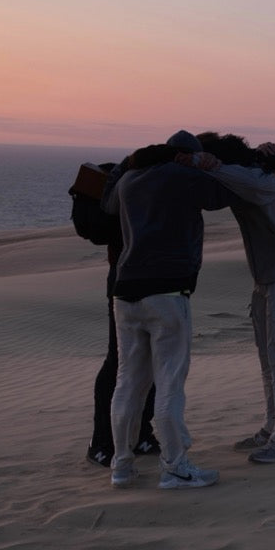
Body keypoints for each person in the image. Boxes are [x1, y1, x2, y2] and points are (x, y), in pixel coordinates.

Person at [99, 130, 238, 489]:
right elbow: (224, 195)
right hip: (167, 291)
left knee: (128, 383)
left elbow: (107, 204)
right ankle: (175, 467)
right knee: (170, 383)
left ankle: (121, 467)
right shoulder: (183, 175)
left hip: (125, 292)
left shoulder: (130, 178)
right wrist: (208, 165)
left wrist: (127, 163)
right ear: (187, 154)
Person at [184, 132, 275, 464]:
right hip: (266, 279)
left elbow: (241, 176)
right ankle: (272, 428)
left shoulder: (260, 180)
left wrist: (207, 163)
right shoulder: (250, 175)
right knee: (269, 360)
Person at [69, 162, 159, 468]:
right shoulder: (133, 187)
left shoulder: (149, 184)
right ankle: (101, 442)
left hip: (153, 282)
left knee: (150, 360)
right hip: (124, 281)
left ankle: (141, 433)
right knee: (119, 361)